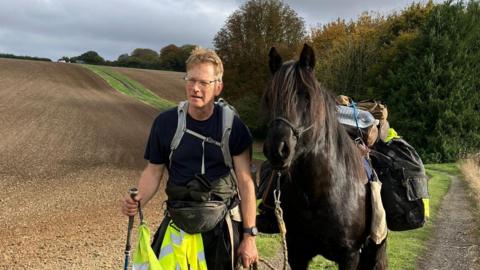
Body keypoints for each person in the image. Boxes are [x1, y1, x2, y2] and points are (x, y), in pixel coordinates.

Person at [121, 47, 258, 269]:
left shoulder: (233, 127)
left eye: (204, 83)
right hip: (178, 223)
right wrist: (138, 201)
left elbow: (245, 182)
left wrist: (249, 238)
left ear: (218, 87)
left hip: (220, 230)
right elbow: (153, 171)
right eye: (191, 80)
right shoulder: (165, 123)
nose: (195, 88)